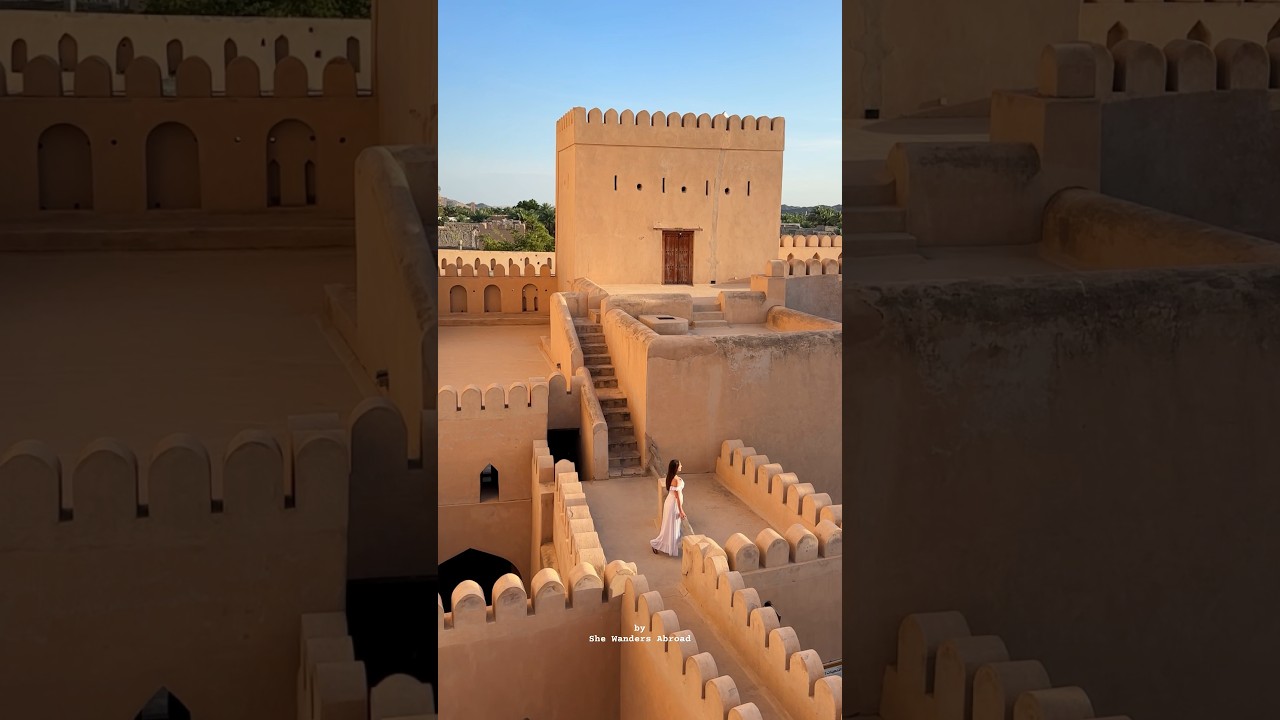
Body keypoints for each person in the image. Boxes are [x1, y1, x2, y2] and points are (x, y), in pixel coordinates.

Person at [650, 459, 685, 556]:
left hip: (670, 504)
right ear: (676, 468)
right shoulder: (676, 480)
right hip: (673, 506)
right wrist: (681, 511)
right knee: (670, 527)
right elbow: (677, 497)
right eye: (680, 465)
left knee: (670, 527)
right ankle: (656, 544)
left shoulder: (671, 477)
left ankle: (667, 545)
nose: (681, 466)